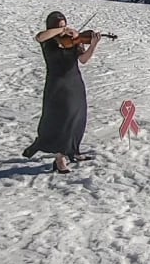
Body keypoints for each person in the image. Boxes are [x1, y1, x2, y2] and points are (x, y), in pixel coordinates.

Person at [22, 11, 102, 173]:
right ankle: (60, 159)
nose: (64, 29)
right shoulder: (48, 41)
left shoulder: (73, 41)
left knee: (78, 119)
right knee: (62, 121)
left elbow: (83, 60)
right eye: (60, 26)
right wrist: (61, 31)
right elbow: (39, 37)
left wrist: (93, 45)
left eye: (65, 25)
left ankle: (73, 151)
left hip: (75, 84)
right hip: (57, 85)